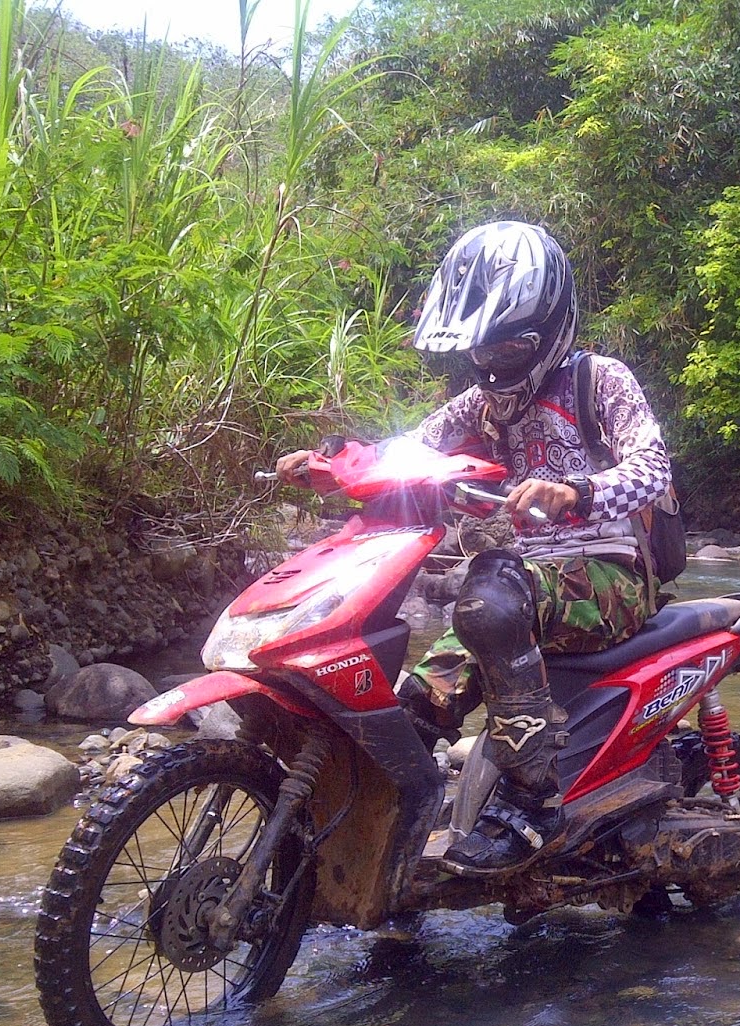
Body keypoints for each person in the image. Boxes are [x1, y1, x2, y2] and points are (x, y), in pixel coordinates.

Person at [276, 220, 672, 874]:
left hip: (611, 574)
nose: (490, 368)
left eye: (505, 352)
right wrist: (334, 467)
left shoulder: (599, 381)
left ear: (545, 333)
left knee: (487, 592)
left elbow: (653, 467)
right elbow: (407, 452)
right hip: (523, 586)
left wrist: (575, 490)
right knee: (418, 705)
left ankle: (532, 801)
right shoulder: (480, 405)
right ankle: (390, 852)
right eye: (481, 355)